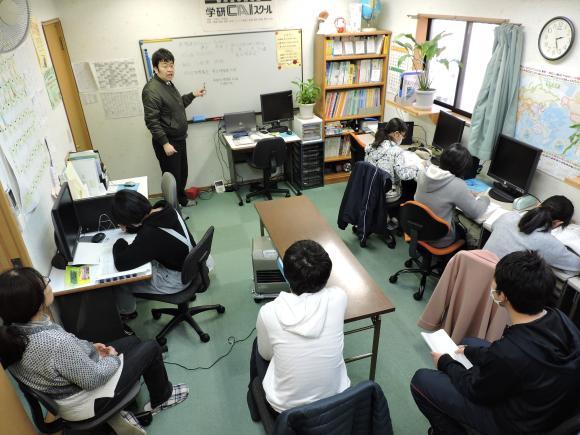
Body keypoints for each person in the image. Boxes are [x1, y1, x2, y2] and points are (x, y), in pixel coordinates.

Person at [410, 250, 580, 435]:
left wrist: (446, 363)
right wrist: (470, 351)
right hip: (547, 407)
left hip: (514, 425)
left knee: (421, 380)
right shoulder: (561, 318)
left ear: (502, 295)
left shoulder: (509, 352)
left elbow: (474, 389)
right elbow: (510, 357)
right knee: (469, 343)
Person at [0, 267, 189, 431]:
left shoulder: (14, 330)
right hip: (86, 401)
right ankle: (162, 398)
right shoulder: (53, 342)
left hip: (66, 392)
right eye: (44, 282)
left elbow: (61, 357)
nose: (47, 282)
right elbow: (94, 379)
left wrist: (90, 348)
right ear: (36, 301)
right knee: (151, 347)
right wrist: (112, 358)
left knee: (132, 342)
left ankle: (128, 397)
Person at [248, 240, 350, 414]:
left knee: (258, 346)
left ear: (285, 274)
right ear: (327, 275)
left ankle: (254, 401)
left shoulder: (269, 312)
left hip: (286, 412)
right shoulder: (339, 298)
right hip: (338, 401)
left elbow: (266, 354)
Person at [111, 189, 195, 319]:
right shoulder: (164, 208)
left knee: (121, 282)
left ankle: (127, 312)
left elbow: (121, 263)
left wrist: (119, 242)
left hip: (176, 280)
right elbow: (147, 227)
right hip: (191, 265)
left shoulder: (150, 234)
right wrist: (131, 226)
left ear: (129, 222)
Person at [142, 48, 206, 207]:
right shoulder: (151, 90)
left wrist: (193, 94)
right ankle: (173, 210)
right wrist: (165, 143)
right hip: (168, 142)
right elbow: (152, 121)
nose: (170, 69)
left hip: (179, 139)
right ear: (155, 68)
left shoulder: (168, 84)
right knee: (172, 178)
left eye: (171, 65)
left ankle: (181, 201)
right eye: (165, 66)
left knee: (182, 173)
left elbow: (177, 105)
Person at [414, 143, 489, 247]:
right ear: (462, 169)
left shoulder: (424, 172)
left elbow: (444, 191)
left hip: (417, 229)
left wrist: (465, 193)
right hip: (438, 238)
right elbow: (475, 213)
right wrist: (485, 199)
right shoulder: (457, 185)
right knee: (465, 233)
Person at [484, 195, 580, 273]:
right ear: (557, 223)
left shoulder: (508, 216)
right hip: (499, 285)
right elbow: (576, 265)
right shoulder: (549, 243)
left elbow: (493, 228)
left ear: (538, 206)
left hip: (479, 271)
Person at [365, 118, 420, 204]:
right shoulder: (396, 151)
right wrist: (417, 168)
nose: (403, 138)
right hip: (388, 195)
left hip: (371, 190)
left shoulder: (372, 145)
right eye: (403, 136)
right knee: (411, 188)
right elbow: (403, 175)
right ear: (396, 134)